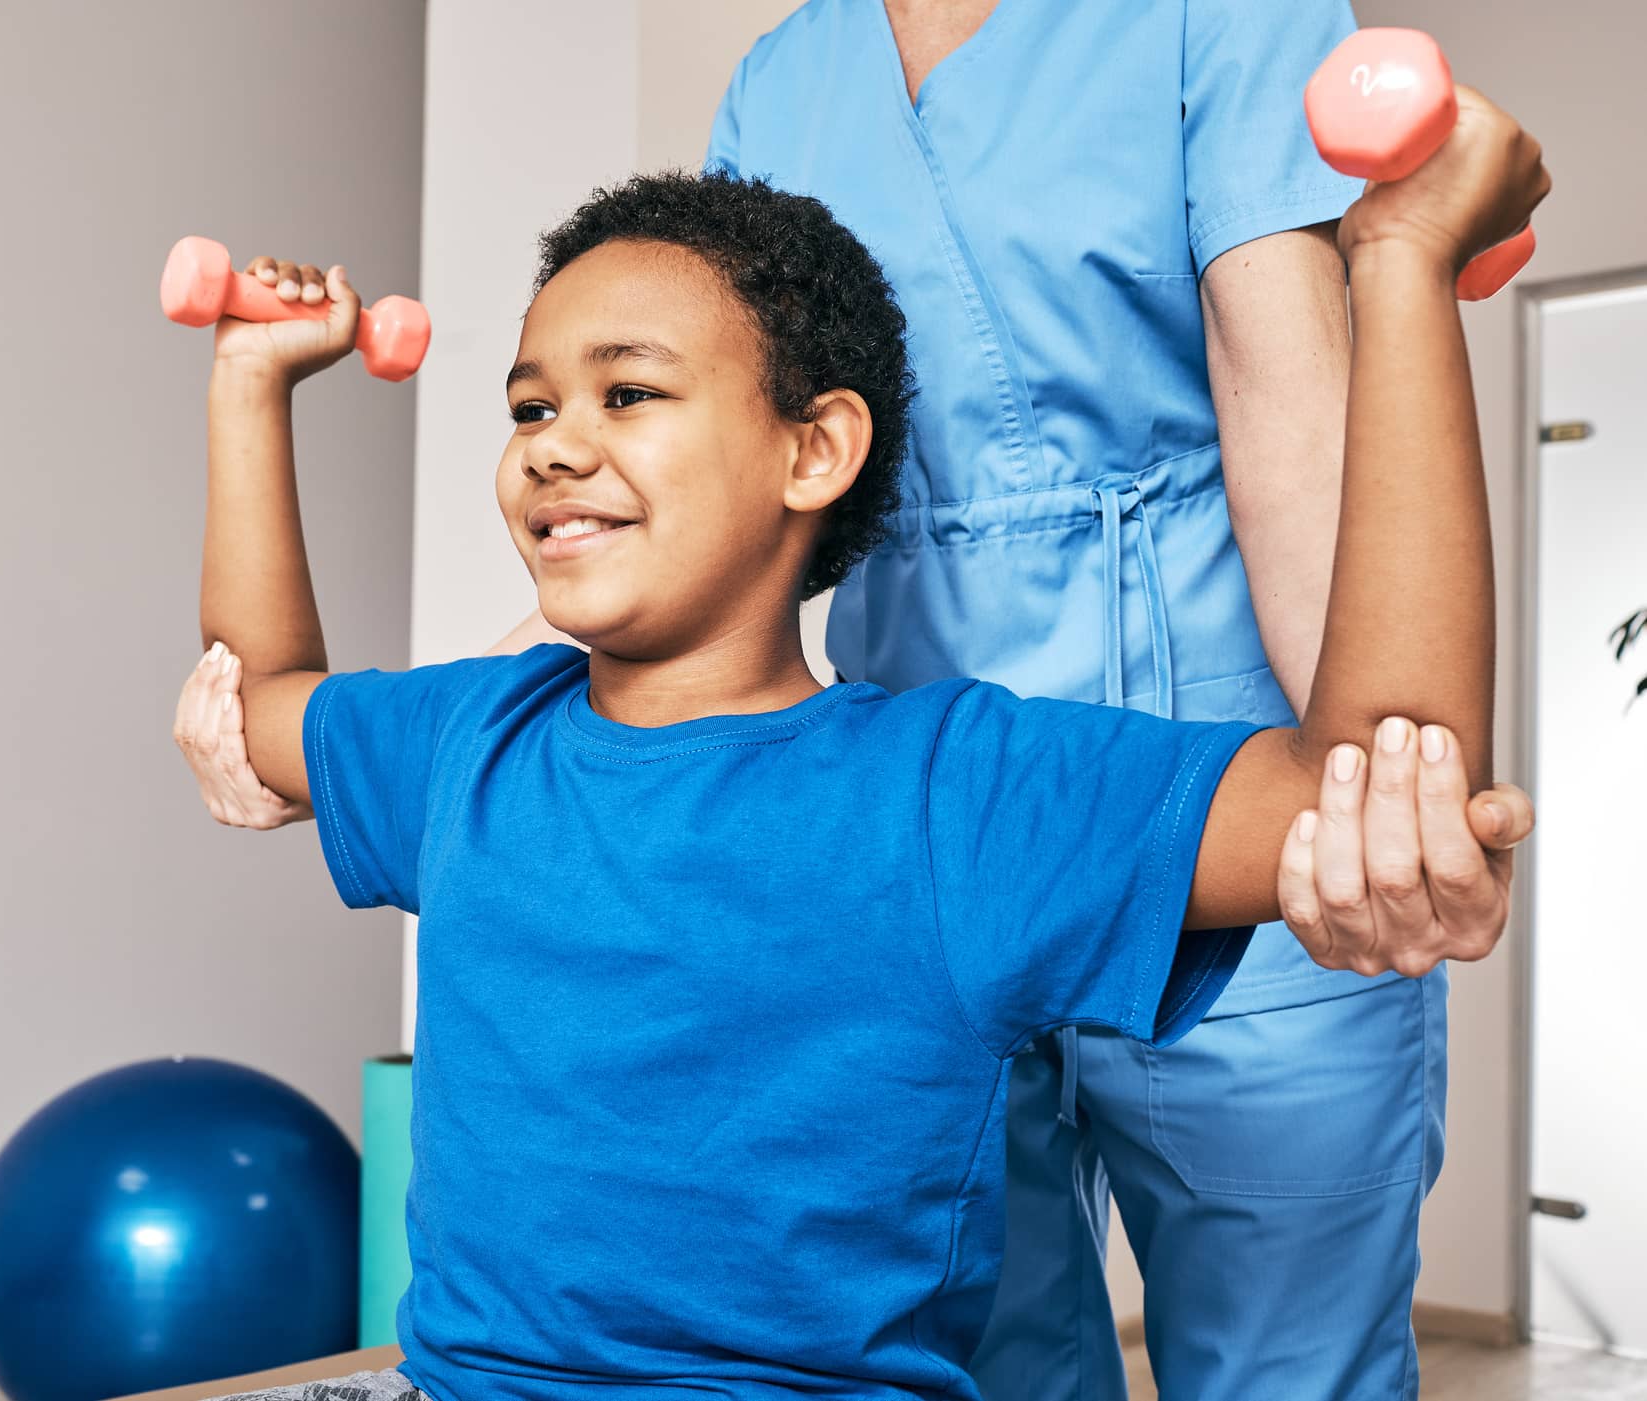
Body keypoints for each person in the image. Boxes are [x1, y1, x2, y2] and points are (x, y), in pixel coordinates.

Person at [171, 99, 1544, 1401]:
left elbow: (1376, 775)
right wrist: (253, 379)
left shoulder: (955, 797)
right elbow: (266, 695)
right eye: (531, 409)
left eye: (627, 394)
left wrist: (1404, 270)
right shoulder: (469, 739)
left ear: (814, 448)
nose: (553, 448)